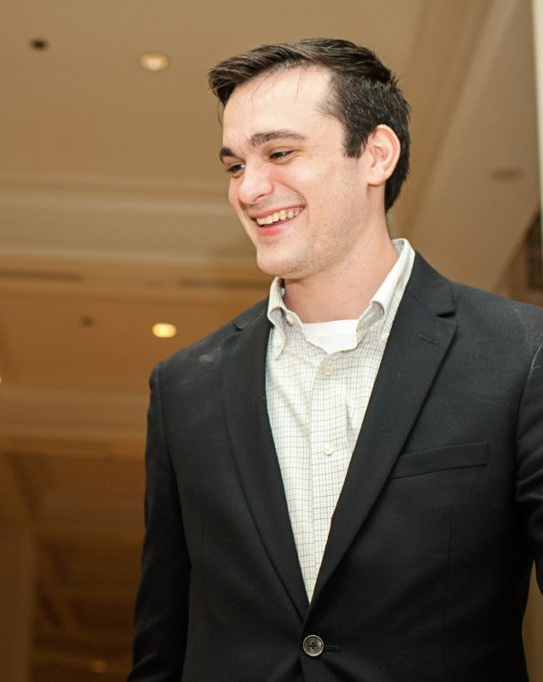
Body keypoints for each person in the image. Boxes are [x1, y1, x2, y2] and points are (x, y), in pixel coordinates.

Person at [129, 37, 543, 681]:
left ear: (376, 154)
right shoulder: (185, 386)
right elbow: (163, 638)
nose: (250, 188)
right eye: (235, 166)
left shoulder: (520, 352)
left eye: (280, 153)